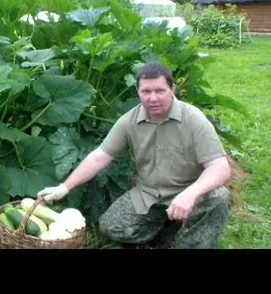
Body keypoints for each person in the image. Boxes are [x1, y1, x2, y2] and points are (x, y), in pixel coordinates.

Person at [37, 62, 232, 249]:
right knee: (111, 227)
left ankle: (190, 243)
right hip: (149, 194)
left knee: (219, 197)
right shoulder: (129, 121)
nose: (153, 98)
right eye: (146, 91)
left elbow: (220, 168)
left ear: (172, 89)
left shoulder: (193, 119)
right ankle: (166, 228)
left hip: (188, 192)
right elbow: (100, 157)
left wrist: (191, 193)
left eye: (160, 91)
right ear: (138, 92)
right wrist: (64, 187)